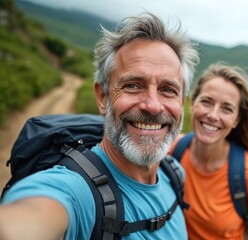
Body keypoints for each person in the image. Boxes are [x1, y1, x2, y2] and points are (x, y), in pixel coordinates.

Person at [0, 12, 199, 240]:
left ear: (181, 103)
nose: (153, 106)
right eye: (133, 85)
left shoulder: (174, 173)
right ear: (103, 97)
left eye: (168, 89)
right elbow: (29, 220)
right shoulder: (75, 192)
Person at [169, 63, 248, 239]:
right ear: (192, 104)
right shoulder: (172, 149)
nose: (213, 115)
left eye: (227, 108)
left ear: (236, 120)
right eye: (206, 102)